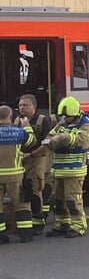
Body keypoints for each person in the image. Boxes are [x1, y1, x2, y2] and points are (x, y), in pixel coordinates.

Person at [46, 96, 89, 238]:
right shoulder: (63, 122)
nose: (65, 120)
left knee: (73, 200)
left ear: (76, 114)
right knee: (59, 200)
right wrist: (50, 141)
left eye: (68, 117)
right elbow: (50, 135)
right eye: (63, 117)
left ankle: (78, 226)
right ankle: (62, 224)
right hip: (59, 168)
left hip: (75, 169)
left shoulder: (87, 124)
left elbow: (83, 141)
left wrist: (63, 138)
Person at [18, 93, 53, 235]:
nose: (21, 108)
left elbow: (47, 144)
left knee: (35, 188)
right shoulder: (17, 121)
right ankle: (27, 220)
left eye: (25, 105)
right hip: (21, 160)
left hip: (37, 159)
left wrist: (31, 155)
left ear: (34, 106)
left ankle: (38, 222)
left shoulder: (42, 120)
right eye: (20, 105)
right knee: (22, 190)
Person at [0, 105, 36, 244]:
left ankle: (1, 237)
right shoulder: (18, 132)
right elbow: (32, 141)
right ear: (10, 117)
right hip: (15, 176)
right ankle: (25, 234)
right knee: (22, 205)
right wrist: (26, 125)